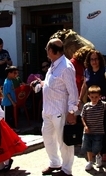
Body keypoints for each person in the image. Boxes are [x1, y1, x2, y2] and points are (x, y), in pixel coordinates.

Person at [33, 38, 78, 176]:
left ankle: (66, 170)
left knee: (64, 141)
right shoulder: (54, 64)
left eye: (47, 49)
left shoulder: (66, 66)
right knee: (48, 138)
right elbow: (54, 83)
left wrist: (72, 112)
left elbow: (73, 92)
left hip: (60, 111)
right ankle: (55, 163)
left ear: (52, 51)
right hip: (48, 110)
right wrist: (41, 84)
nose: (46, 52)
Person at [78, 50, 106, 162]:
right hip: (91, 103)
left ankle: (104, 150)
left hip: (101, 102)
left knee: (101, 127)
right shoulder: (87, 71)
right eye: (92, 59)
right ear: (89, 61)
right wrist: (80, 99)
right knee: (91, 126)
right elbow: (84, 85)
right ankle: (94, 150)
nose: (94, 61)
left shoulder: (104, 70)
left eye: (96, 59)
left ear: (100, 60)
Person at [81, 85, 106, 171]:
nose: (94, 99)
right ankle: (90, 162)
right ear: (89, 96)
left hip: (98, 131)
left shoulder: (102, 105)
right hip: (88, 131)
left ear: (100, 97)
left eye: (96, 97)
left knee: (97, 147)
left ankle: (98, 157)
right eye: (92, 97)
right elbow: (82, 116)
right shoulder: (86, 106)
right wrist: (85, 126)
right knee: (88, 147)